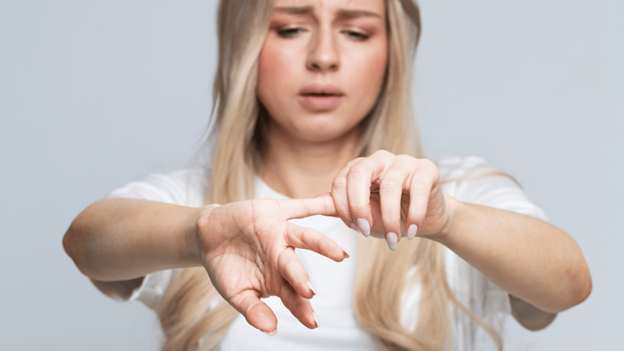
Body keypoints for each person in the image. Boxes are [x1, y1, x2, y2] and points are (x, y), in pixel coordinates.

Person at [62, 0, 592, 350]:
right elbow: (87, 242)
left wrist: (448, 217)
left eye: (356, 31)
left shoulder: (456, 193)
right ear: (246, 45)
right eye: (291, 28)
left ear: (391, 52)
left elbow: (568, 284)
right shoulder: (191, 199)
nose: (323, 57)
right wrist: (199, 233)